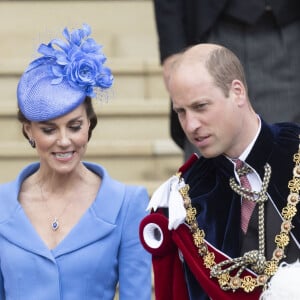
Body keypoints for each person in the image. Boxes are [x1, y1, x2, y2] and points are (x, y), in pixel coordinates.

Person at [0, 24, 152, 299]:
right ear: (28, 131)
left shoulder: (128, 204)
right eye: (49, 129)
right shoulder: (1, 204)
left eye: (74, 126)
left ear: (89, 125)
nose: (64, 141)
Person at [139, 44, 300, 300]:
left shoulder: (295, 150)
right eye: (181, 112)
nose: (191, 126)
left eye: (201, 106)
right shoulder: (185, 195)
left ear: (237, 92)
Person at [153, 0, 300, 160]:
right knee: (204, 140)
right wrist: (172, 46)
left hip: (287, 27)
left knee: (287, 154)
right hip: (212, 25)